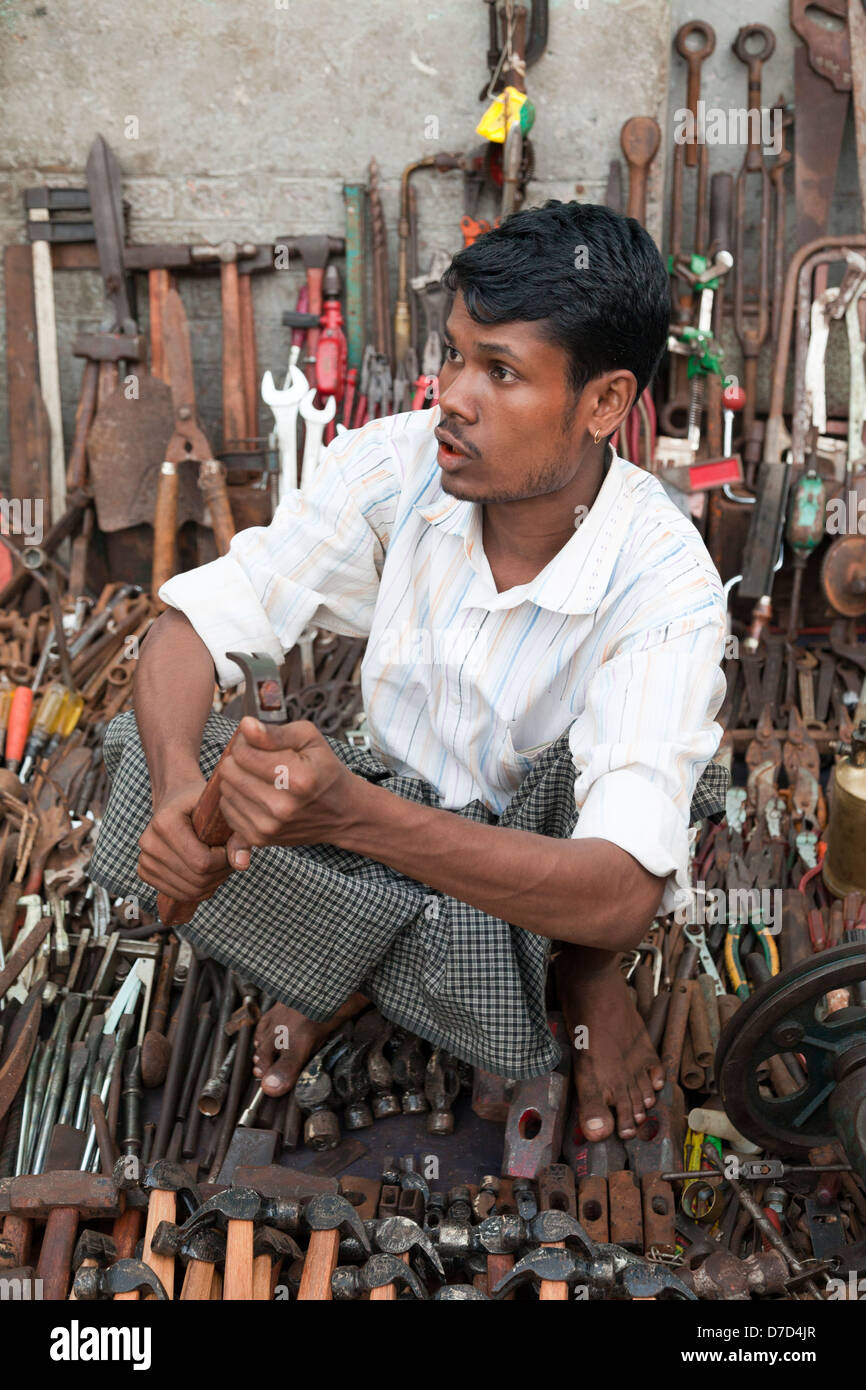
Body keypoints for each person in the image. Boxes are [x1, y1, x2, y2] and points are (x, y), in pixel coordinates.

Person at [89, 200, 728, 1144]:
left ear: (604, 404)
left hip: (531, 858)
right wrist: (185, 794)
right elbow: (193, 625)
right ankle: (347, 959)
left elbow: (621, 890)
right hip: (386, 812)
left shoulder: (666, 582)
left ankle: (565, 975)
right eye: (454, 354)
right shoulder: (395, 466)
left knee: (595, 891)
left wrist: (350, 816)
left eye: (500, 372)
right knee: (152, 755)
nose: (453, 398)